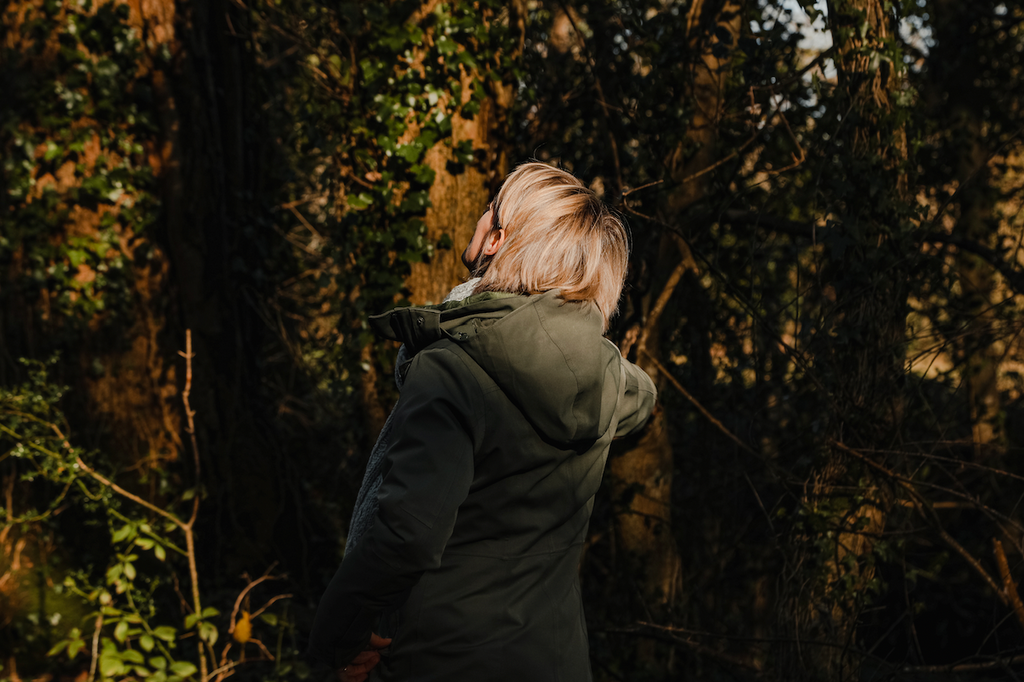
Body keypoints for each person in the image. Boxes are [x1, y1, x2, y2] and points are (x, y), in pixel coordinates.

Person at [308, 161, 657, 681]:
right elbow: (644, 396)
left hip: (441, 661)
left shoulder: (451, 368)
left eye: (490, 207)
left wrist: (336, 635)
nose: (479, 213)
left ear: (498, 239)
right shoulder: (606, 376)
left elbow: (406, 536)